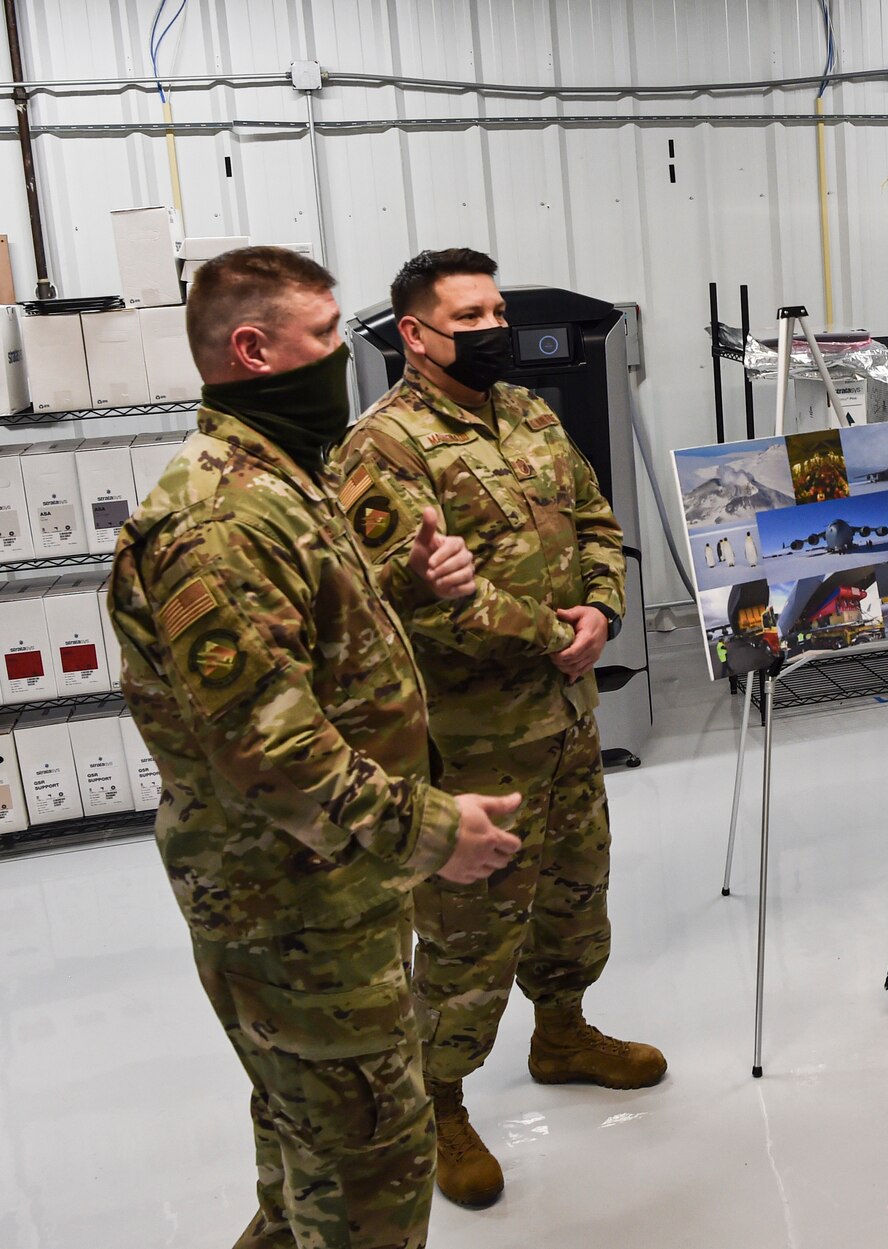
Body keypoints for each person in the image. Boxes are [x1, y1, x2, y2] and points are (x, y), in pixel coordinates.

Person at [108, 246, 523, 1249]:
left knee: (307, 1142)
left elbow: (317, 651)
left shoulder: (282, 480)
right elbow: (267, 746)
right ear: (254, 349)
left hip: (329, 890)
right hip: (288, 900)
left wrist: (417, 584)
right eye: (328, 333)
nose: (346, 354)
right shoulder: (220, 517)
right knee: (369, 1168)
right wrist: (431, 830)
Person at [337, 248, 662, 1210]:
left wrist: (601, 611)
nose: (491, 329)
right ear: (415, 334)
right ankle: (437, 1101)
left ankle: (562, 1031)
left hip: (566, 717)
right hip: (470, 740)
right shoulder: (382, 447)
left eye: (495, 311)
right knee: (468, 930)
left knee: (574, 890)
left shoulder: (526, 413)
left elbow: (600, 522)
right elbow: (409, 601)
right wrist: (553, 635)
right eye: (467, 316)